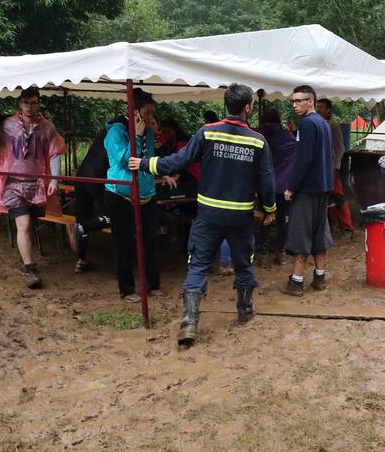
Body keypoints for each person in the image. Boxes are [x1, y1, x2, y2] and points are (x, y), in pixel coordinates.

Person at [132, 84, 276, 347]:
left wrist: (144, 163)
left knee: (198, 264)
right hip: (240, 217)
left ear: (225, 105)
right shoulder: (257, 140)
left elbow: (177, 162)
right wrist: (269, 209)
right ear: (247, 108)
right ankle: (244, 310)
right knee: (243, 263)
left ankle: (189, 322)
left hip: (208, 214)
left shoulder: (206, 133)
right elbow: (266, 181)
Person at [103, 90, 175, 302]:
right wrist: (137, 135)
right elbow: (126, 161)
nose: (152, 116)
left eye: (153, 112)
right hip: (120, 193)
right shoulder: (116, 132)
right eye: (148, 112)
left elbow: (148, 159)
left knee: (151, 241)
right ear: (135, 112)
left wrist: (163, 172)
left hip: (146, 193)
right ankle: (126, 289)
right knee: (124, 243)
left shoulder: (149, 131)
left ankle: (153, 284)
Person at [0, 86, 65, 289]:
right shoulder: (7, 125)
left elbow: (55, 152)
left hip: (36, 184)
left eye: (33, 102)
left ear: (39, 103)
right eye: (25, 102)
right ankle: (29, 267)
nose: (29, 107)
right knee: (23, 224)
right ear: (20, 104)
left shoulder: (46, 127)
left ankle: (26, 257)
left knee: (30, 224)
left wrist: (55, 180)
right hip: (13, 183)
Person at [281, 84, 334, 295]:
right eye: (293, 101)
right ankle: (320, 278)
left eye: (299, 101)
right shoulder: (323, 124)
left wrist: (291, 187)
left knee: (301, 235)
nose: (295, 105)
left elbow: (303, 160)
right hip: (323, 187)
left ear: (310, 101)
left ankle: (296, 282)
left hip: (308, 189)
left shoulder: (308, 124)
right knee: (319, 232)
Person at [257, 106, 296, 263]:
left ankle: (262, 252)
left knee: (266, 216)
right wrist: (293, 132)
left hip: (265, 186)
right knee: (282, 219)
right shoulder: (286, 136)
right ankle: (281, 252)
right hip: (283, 186)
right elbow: (299, 148)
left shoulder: (259, 136)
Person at [316, 98, 355, 234]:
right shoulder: (318, 123)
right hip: (320, 168)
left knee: (337, 196)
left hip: (331, 168)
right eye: (317, 106)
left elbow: (340, 147)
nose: (318, 109)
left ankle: (347, 227)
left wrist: (335, 167)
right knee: (325, 197)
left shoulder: (333, 124)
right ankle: (328, 226)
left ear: (328, 110)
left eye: (321, 107)